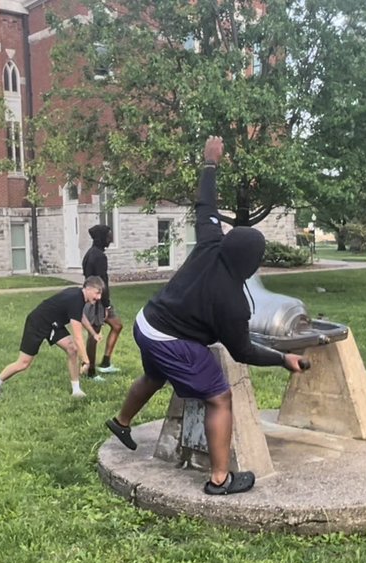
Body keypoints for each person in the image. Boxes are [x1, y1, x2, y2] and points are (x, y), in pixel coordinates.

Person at [103, 136, 305, 495]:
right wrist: (282, 358)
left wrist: (210, 162)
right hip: (170, 337)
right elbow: (242, 351)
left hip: (146, 322)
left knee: (154, 375)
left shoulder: (211, 240)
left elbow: (205, 202)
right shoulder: (232, 303)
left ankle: (122, 422)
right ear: (252, 266)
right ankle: (220, 479)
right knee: (218, 396)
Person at [0, 277, 105, 399]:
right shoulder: (76, 298)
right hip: (37, 323)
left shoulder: (79, 296)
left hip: (53, 324)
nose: (99, 297)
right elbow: (78, 337)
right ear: (88, 288)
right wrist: (86, 360)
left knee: (72, 349)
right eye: (97, 293)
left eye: (100, 294)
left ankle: (76, 390)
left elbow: (79, 315)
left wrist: (93, 333)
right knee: (23, 363)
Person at [82, 224, 124, 379]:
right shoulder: (98, 256)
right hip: (96, 301)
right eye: (109, 237)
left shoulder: (91, 254)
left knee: (117, 326)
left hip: (98, 299)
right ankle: (90, 371)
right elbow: (101, 283)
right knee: (94, 335)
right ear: (101, 237)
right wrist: (105, 304)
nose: (111, 240)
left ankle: (105, 363)